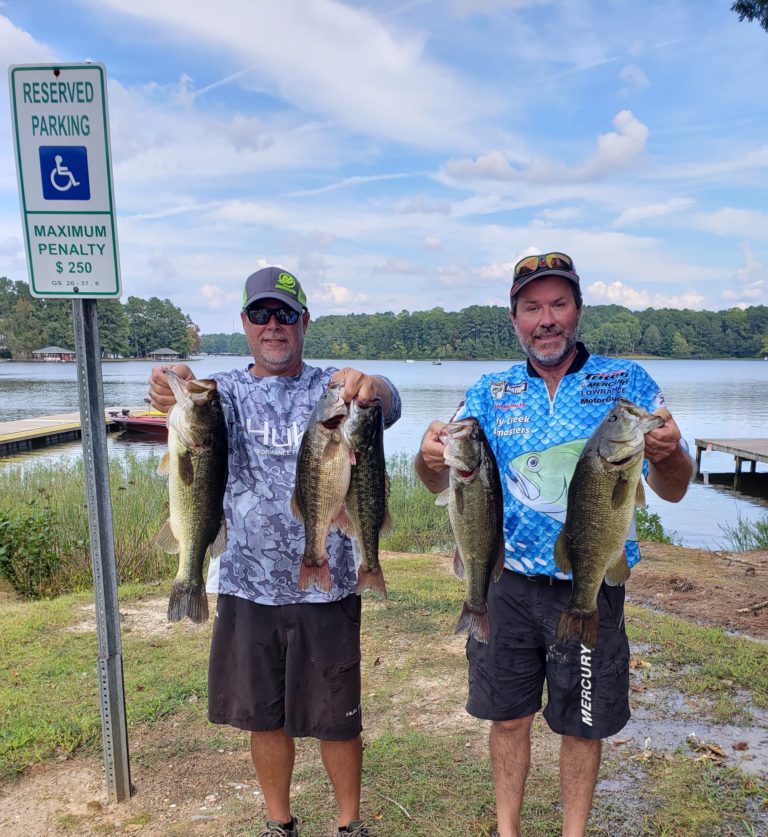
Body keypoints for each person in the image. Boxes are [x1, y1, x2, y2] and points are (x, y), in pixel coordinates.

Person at [414, 252, 692, 837]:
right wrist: (427, 454)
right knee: (508, 718)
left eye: (558, 304)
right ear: (514, 318)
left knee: (581, 724)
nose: (547, 319)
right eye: (532, 307)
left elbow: (672, 490)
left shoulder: (628, 384)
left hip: (591, 580)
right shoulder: (489, 391)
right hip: (505, 584)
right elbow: (440, 478)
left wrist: (671, 455)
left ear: (578, 310)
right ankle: (507, 831)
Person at [148, 266, 401, 837]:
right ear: (243, 323)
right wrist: (173, 378)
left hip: (330, 582)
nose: (274, 325)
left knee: (338, 718)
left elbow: (388, 400)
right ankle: (278, 821)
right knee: (265, 716)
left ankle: (348, 824)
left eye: (285, 313)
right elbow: (180, 386)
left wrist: (373, 385)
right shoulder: (224, 395)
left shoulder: (329, 391)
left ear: (304, 322)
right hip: (245, 585)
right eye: (261, 314)